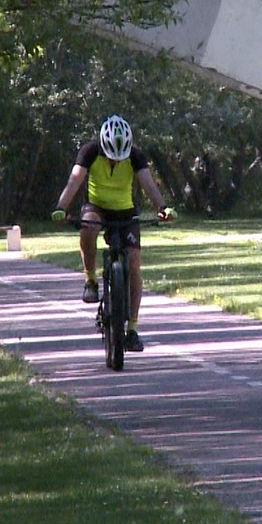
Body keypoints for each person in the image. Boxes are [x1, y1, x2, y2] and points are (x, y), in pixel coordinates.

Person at [51, 115, 175, 352]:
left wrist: (163, 208)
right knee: (88, 226)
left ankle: (133, 329)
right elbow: (74, 181)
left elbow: (149, 185)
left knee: (134, 264)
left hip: (125, 211)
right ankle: (90, 280)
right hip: (96, 207)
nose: (114, 161)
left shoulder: (136, 156)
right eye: (110, 156)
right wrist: (61, 208)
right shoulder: (89, 151)